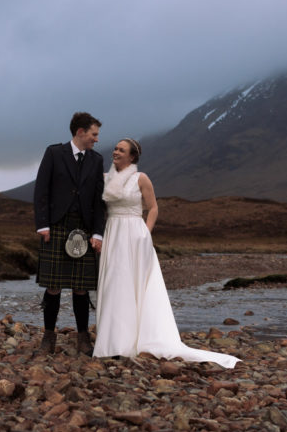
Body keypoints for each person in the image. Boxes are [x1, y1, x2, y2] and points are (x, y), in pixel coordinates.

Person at [93, 138, 239, 368]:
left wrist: (146, 233)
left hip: (134, 235)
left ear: (132, 157)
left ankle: (135, 340)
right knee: (115, 283)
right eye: (115, 148)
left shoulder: (141, 178)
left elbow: (153, 208)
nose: (116, 152)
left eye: (121, 150)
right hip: (113, 233)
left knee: (134, 284)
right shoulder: (105, 177)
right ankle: (113, 341)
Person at [33, 112, 106, 355]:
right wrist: (43, 225)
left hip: (84, 229)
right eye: (94, 134)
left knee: (81, 287)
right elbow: (41, 189)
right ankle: (48, 337)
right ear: (80, 132)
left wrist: (97, 232)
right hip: (56, 227)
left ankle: (83, 338)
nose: (96, 139)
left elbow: (98, 200)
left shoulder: (96, 160)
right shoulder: (54, 153)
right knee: (53, 285)